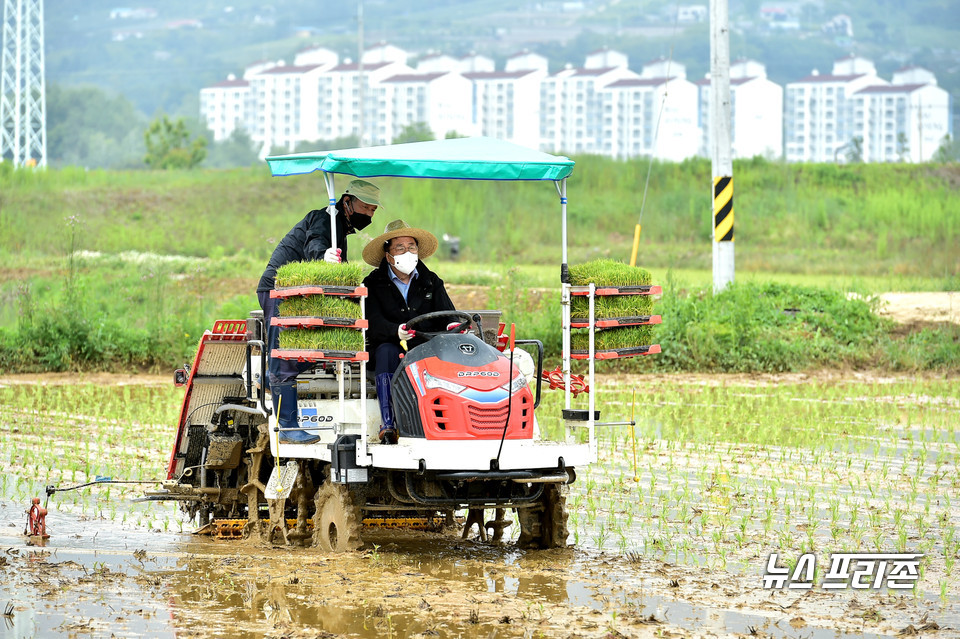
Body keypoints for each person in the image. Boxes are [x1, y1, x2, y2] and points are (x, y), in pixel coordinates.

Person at [257, 179, 382, 444]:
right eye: (366, 208)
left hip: (303, 294)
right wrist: (323, 256)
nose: (369, 215)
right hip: (279, 290)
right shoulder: (325, 219)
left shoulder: (342, 227)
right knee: (285, 353)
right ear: (347, 202)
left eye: (373, 210)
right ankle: (289, 427)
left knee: (317, 345)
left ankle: (270, 379)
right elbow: (316, 244)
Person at [362, 220, 456, 444]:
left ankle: (445, 421)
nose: (407, 252)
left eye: (411, 247)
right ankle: (388, 423)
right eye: (400, 248)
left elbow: (448, 312)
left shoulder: (430, 280)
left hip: (425, 344)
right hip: (388, 345)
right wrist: (395, 331)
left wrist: (453, 324)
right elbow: (372, 322)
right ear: (388, 255)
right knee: (386, 352)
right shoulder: (372, 283)